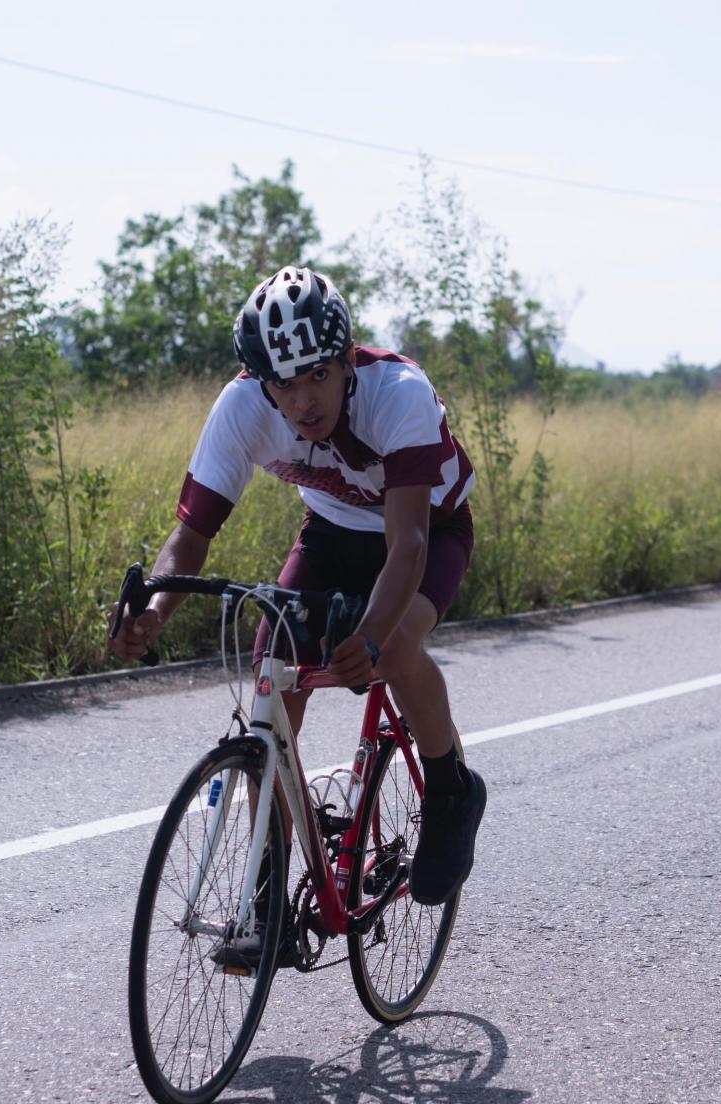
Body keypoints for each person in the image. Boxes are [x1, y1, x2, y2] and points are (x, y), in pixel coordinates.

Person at [110, 265, 486, 964]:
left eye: (316, 375)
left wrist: (371, 639)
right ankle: (268, 902)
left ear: (347, 362)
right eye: (282, 383)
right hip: (334, 531)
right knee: (273, 672)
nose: (302, 399)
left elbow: (406, 546)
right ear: (260, 380)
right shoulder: (243, 407)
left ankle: (452, 789)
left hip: (427, 529)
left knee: (398, 644)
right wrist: (156, 607)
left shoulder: (396, 395)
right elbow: (189, 537)